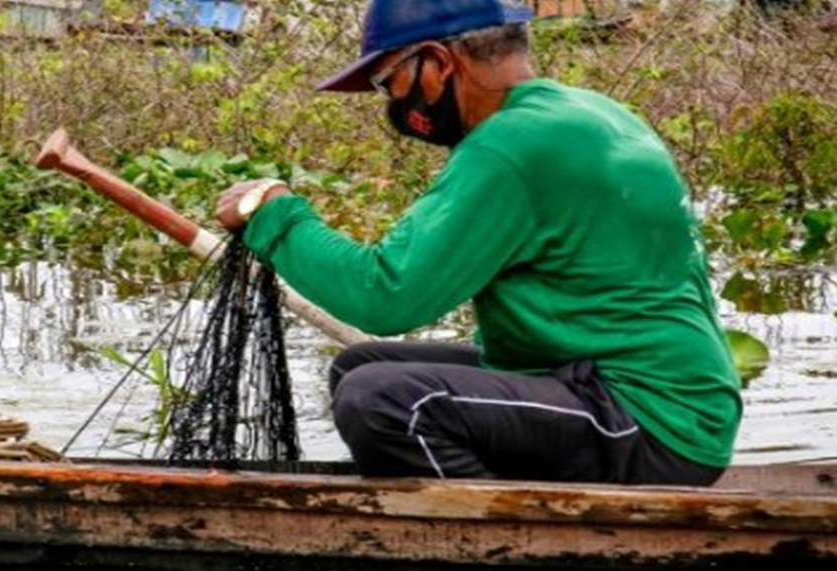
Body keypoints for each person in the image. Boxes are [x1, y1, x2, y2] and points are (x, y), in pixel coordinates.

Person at [214, 0, 742, 486]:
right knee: (362, 366)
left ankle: (493, 548)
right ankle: (509, 496)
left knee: (383, 401)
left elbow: (384, 297)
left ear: (439, 63)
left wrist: (276, 215)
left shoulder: (511, 146)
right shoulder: (589, 112)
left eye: (389, 81)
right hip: (668, 399)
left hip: (647, 420)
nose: (394, 103)